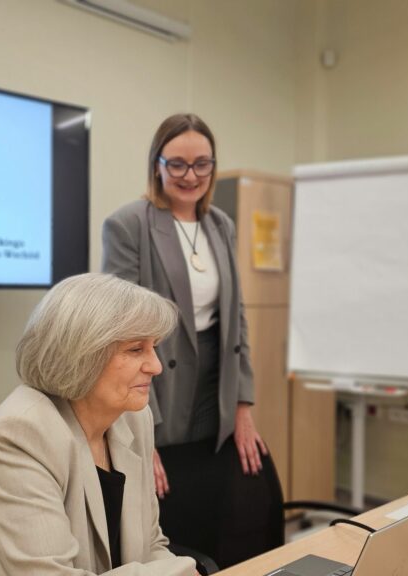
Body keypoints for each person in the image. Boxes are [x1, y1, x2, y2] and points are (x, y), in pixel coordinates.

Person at [0, 273, 196, 575]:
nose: (156, 366)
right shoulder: (20, 433)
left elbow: (150, 544)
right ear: (82, 354)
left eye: (154, 347)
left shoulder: (133, 417)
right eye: (135, 349)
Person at [101, 113, 277, 567]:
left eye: (202, 164)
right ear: (156, 164)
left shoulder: (220, 225)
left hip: (213, 392)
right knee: (171, 526)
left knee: (220, 518)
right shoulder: (129, 224)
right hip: (157, 390)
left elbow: (235, 318)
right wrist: (140, 436)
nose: (190, 175)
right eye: (177, 164)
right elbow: (121, 332)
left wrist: (243, 406)